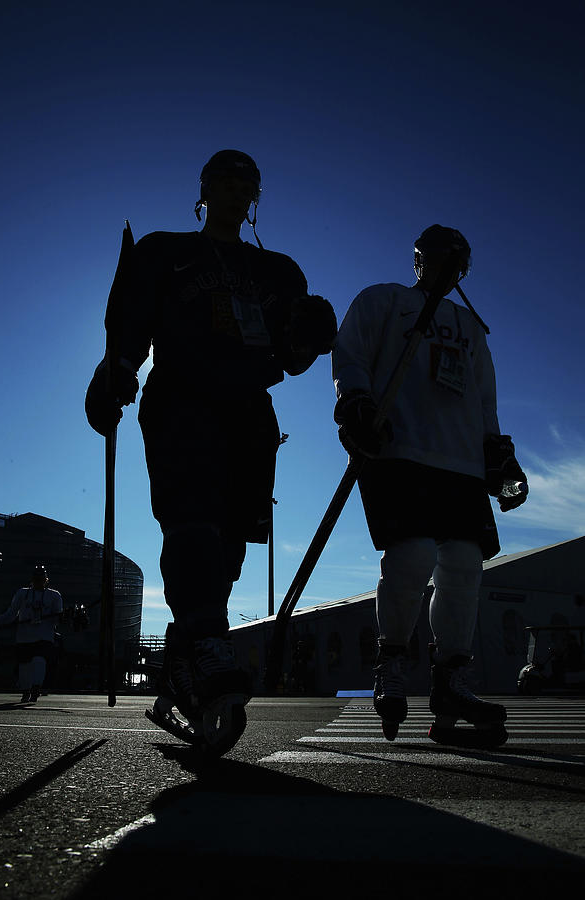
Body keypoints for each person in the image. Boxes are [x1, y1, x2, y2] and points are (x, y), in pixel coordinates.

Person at [86, 149, 337, 753]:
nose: (235, 190)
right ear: (204, 190)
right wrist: (117, 369)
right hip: (183, 398)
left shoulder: (280, 272)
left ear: (256, 197)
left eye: (246, 183)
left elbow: (290, 353)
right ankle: (206, 641)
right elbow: (132, 319)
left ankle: (184, 655)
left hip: (250, 408)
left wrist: (308, 339)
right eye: (224, 181)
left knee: (228, 545)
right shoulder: (165, 252)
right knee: (192, 518)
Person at [332, 224, 528, 748]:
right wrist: (355, 400)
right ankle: (391, 661)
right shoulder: (384, 301)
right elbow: (349, 353)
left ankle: (451, 680)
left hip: (460, 463)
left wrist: (498, 453)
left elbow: (484, 400)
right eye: (438, 259)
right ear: (419, 260)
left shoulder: (471, 325)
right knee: (413, 555)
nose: (446, 270)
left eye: (455, 262)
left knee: (464, 566)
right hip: (398, 450)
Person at [0, 565, 63, 703]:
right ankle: (26, 691)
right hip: (24, 637)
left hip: (43, 637)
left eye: (41, 578)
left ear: (46, 580)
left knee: (39, 660)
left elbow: (58, 618)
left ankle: (35, 689)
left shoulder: (54, 595)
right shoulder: (22, 593)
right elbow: (11, 613)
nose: (39, 581)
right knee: (24, 665)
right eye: (36, 578)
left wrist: (62, 617)